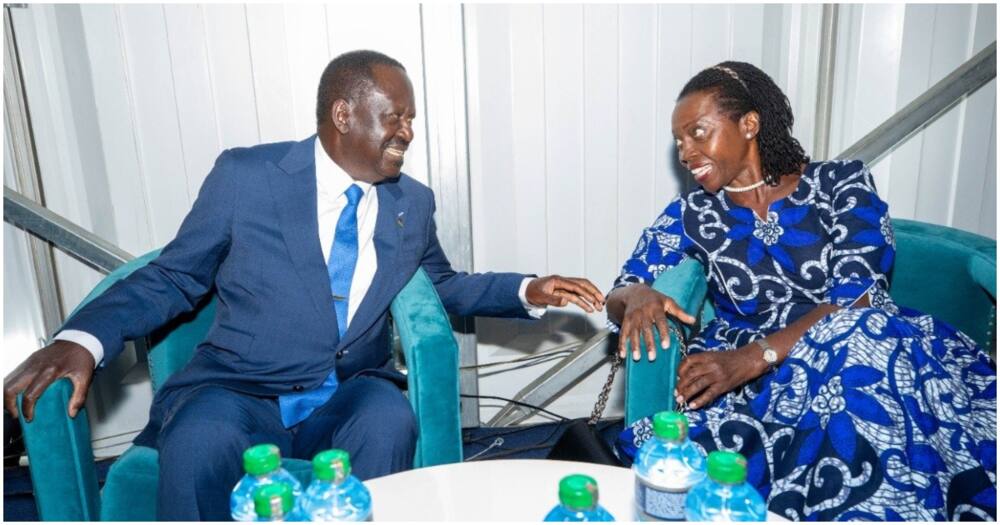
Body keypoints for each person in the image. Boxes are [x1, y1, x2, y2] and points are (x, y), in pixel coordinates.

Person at [3, 50, 606, 521]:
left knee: (388, 420)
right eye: (395, 116)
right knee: (197, 439)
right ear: (343, 113)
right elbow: (174, 275)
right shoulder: (247, 177)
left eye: (411, 119)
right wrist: (83, 339)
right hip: (240, 388)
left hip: (346, 390)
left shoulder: (412, 204)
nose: (408, 132)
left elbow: (441, 285)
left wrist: (528, 289)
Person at [607, 61, 996, 521]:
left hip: (856, 345)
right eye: (679, 142)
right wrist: (637, 296)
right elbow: (623, 286)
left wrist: (753, 358)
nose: (686, 152)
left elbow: (860, 293)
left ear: (749, 124)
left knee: (858, 341)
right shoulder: (691, 212)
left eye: (697, 132)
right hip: (760, 384)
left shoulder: (839, 184)